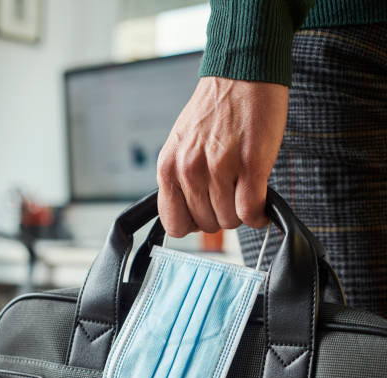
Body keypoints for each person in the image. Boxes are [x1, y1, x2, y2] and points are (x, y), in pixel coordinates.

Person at [156, 1, 387, 318]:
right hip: (347, 39)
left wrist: (237, 52)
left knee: (343, 351)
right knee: (349, 350)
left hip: (342, 51)